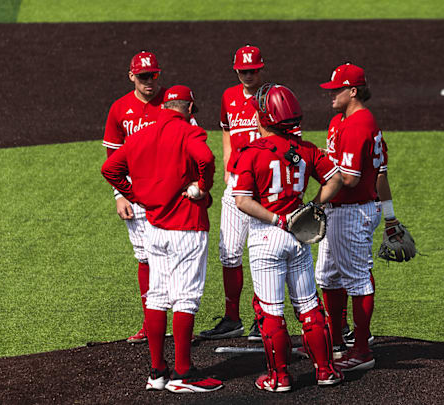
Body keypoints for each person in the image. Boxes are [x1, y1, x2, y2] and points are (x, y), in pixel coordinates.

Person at [101, 85, 222, 393]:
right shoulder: (188, 133)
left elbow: (110, 168)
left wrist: (135, 195)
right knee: (186, 298)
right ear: (189, 109)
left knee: (157, 296)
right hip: (187, 226)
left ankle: (157, 372)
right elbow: (206, 159)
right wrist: (202, 186)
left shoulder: (141, 134)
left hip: (153, 226)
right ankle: (183, 374)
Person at [232, 83, 344, 391]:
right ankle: (325, 370)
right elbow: (336, 181)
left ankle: (279, 377)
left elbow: (242, 201)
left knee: (270, 310)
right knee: (309, 306)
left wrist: (277, 218)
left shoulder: (251, 154)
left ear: (265, 118)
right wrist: (311, 207)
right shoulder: (306, 149)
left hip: (267, 237)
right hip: (298, 235)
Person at [316, 62, 393, 372]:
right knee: (328, 276)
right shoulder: (341, 121)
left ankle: (361, 349)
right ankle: (336, 342)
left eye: (337, 89)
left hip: (352, 210)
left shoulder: (359, 124)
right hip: (343, 210)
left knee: (358, 280)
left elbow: (348, 179)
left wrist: (315, 195)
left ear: (353, 91)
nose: (331, 94)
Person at [199, 44, 267, 341]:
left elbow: (291, 134)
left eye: (252, 70)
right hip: (236, 183)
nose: (247, 75)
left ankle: (263, 317)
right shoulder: (228, 96)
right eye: (242, 70)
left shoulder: (272, 96)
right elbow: (226, 128)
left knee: (261, 255)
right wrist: (227, 163)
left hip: (264, 187)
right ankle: (232, 318)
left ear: (260, 69)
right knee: (228, 253)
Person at [102, 50, 167, 344]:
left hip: (167, 191)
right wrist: (119, 195)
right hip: (135, 191)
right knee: (144, 257)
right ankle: (151, 323)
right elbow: (113, 156)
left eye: (153, 75)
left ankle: (178, 319)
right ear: (132, 77)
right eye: (143, 77)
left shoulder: (169, 103)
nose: (149, 81)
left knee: (170, 255)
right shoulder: (119, 109)